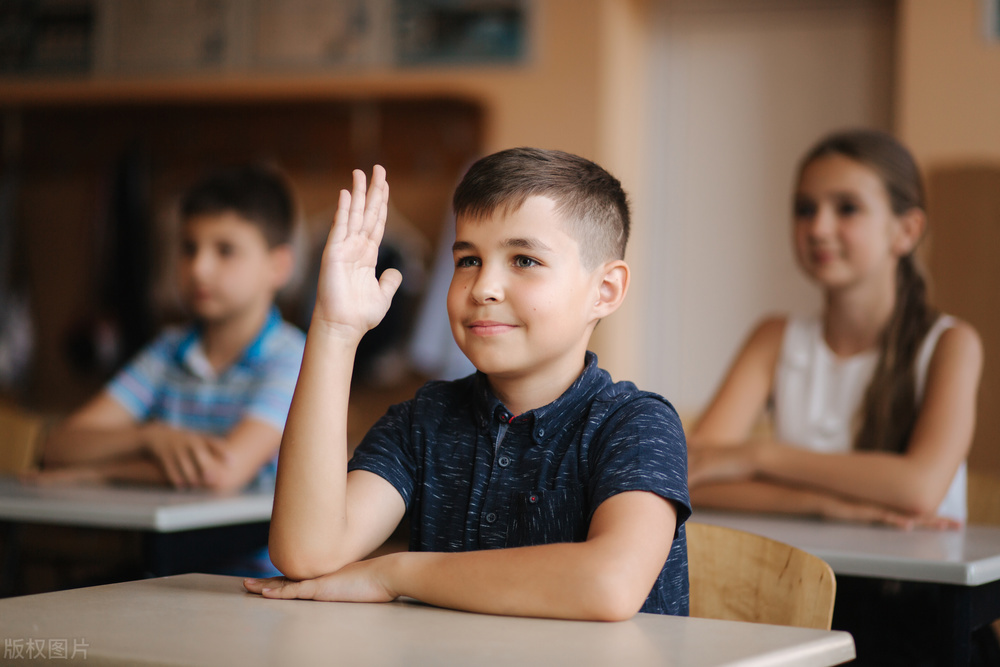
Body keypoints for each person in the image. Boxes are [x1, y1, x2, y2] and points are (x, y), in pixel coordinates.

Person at [243, 148, 690, 620]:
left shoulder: (637, 425)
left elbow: (608, 585)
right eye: (468, 260)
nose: (482, 288)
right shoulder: (424, 420)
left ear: (605, 291)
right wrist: (335, 331)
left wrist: (393, 575)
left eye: (524, 260)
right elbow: (306, 554)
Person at [686, 129, 987, 665]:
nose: (818, 227)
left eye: (846, 208)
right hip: (806, 600)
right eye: (805, 208)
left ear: (907, 229)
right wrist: (828, 504)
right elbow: (692, 475)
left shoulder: (950, 344)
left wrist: (758, 456)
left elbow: (918, 488)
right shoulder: (774, 337)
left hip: (925, 614)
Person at [38, 164, 306, 499]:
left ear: (278, 266)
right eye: (189, 248)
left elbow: (219, 473)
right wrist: (149, 437)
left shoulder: (294, 358)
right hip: (159, 548)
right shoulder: (167, 351)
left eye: (225, 250)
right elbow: (58, 446)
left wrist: (97, 474)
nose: (199, 269)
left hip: (255, 552)